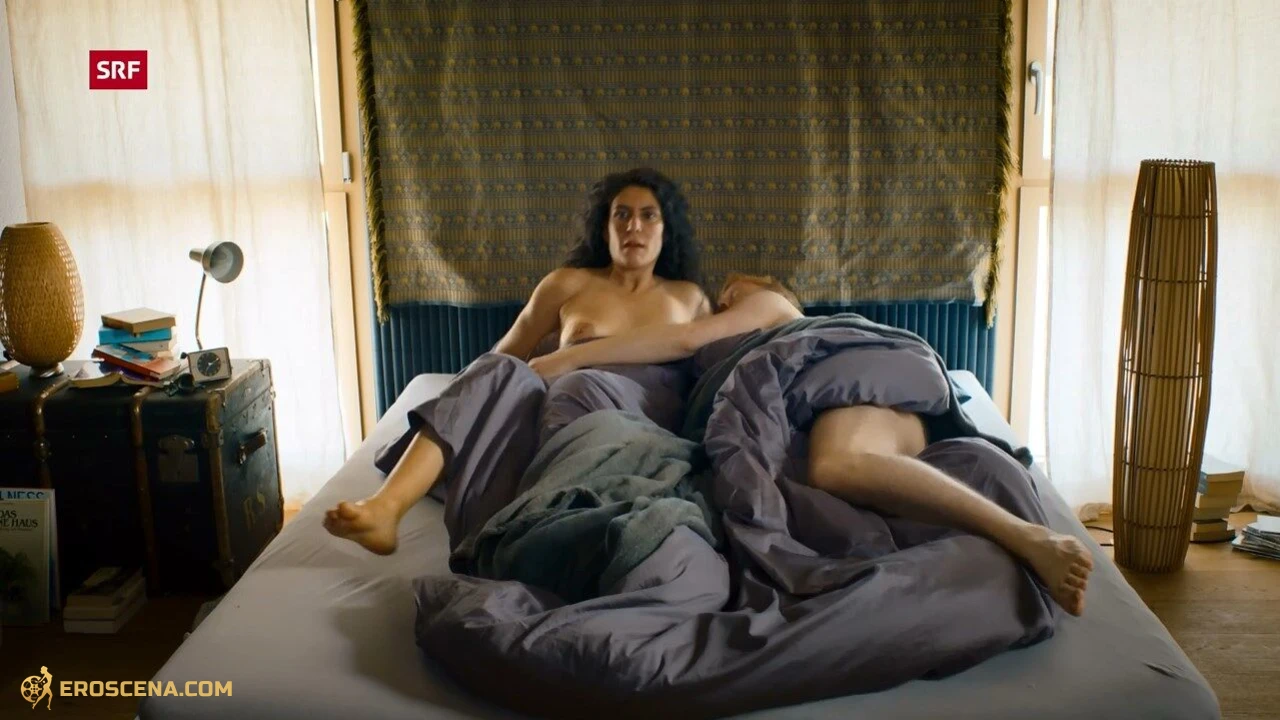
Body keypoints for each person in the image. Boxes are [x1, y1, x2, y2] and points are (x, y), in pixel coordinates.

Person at [528, 273, 1095, 616]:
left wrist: (563, 359)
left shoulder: (776, 312)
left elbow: (686, 338)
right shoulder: (765, 358)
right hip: (864, 406)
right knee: (839, 474)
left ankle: (1030, 539)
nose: (726, 303)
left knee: (838, 466)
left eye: (732, 295)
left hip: (847, 372)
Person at [323, 168, 711, 555]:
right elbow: (504, 355)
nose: (633, 226)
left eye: (648, 215)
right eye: (621, 214)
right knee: (499, 370)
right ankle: (386, 507)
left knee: (572, 391)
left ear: (666, 230)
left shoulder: (688, 298)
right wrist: (469, 403)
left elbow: (710, 378)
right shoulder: (569, 284)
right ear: (605, 227)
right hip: (557, 419)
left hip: (633, 421)